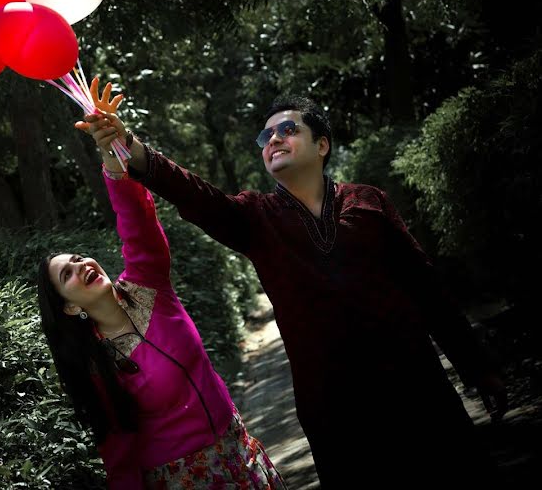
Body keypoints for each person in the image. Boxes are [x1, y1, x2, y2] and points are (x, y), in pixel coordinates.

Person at [79, 87, 508, 487]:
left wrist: (478, 368)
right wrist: (127, 146)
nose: (273, 140)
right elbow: (195, 194)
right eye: (265, 136)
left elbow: (425, 285)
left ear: (322, 145)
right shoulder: (255, 218)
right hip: (335, 413)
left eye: (288, 129)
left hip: (418, 390)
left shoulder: (368, 201)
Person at [37, 79, 287, 489]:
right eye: (67, 274)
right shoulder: (97, 365)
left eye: (79, 258)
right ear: (69, 306)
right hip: (186, 480)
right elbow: (118, 452)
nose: (81, 266)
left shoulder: (147, 285)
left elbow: (136, 224)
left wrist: (112, 149)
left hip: (239, 451)